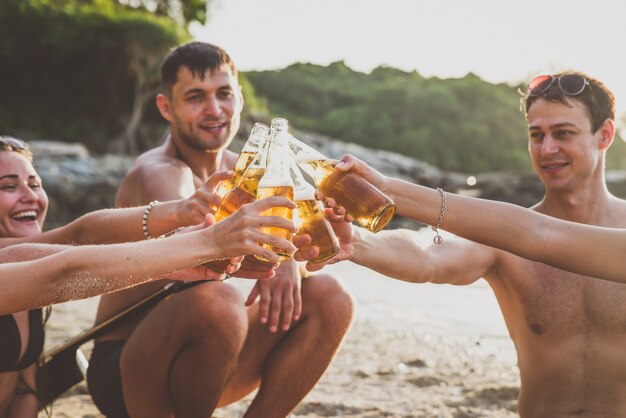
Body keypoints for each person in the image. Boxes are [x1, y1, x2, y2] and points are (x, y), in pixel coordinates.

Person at [308, 72, 626, 417]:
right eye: (537, 135)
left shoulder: (527, 233)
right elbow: (428, 256)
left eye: (563, 133)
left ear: (605, 134)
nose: (547, 149)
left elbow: (539, 234)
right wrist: (359, 242)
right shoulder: (503, 239)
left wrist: (390, 189)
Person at [88, 41, 355, 418]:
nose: (214, 110)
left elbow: (301, 245)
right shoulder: (160, 171)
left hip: (206, 355)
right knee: (219, 303)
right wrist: (278, 256)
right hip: (128, 368)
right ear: (167, 107)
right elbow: (205, 240)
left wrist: (292, 259)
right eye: (196, 97)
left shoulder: (248, 171)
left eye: (224, 94)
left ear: (240, 100)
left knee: (330, 297)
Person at [0, 135, 298, 417]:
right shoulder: (157, 167)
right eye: (8, 187)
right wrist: (203, 244)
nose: (30, 196)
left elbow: (78, 235)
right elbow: (64, 272)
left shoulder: (18, 261)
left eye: (35, 184)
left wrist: (183, 214)